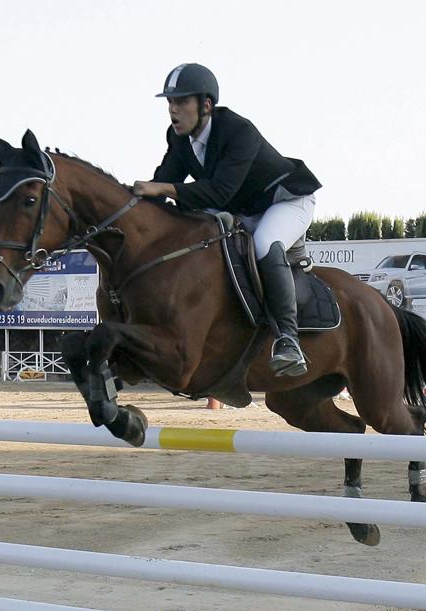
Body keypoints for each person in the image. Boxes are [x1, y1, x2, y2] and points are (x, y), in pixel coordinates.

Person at [132, 63, 320, 378]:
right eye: (169, 103)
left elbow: (218, 192)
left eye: (180, 102)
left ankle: (288, 340)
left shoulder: (238, 131)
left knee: (264, 243)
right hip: (242, 209)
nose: (173, 110)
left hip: (286, 200)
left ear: (206, 105)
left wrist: (162, 188)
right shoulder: (178, 138)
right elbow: (163, 185)